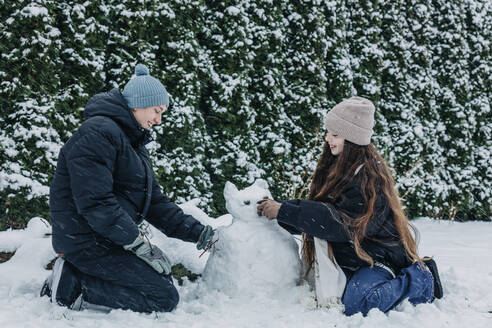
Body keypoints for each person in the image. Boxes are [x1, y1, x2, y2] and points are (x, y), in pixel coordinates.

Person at [40, 64, 215, 313]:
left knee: (163, 279)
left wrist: (199, 233)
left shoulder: (131, 142)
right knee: (163, 298)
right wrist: (136, 243)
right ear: (137, 104)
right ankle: (72, 284)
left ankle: (72, 273)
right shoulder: (98, 134)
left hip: (107, 238)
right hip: (86, 241)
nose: (159, 119)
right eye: (157, 110)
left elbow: (153, 202)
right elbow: (96, 202)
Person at [257, 96, 443, 316]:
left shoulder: (368, 178)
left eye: (335, 134)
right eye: (328, 132)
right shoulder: (339, 168)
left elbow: (338, 223)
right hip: (354, 258)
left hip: (378, 260)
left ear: (353, 139)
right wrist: (282, 212)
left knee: (359, 303)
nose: (327, 138)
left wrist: (284, 210)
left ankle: (421, 279)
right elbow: (321, 214)